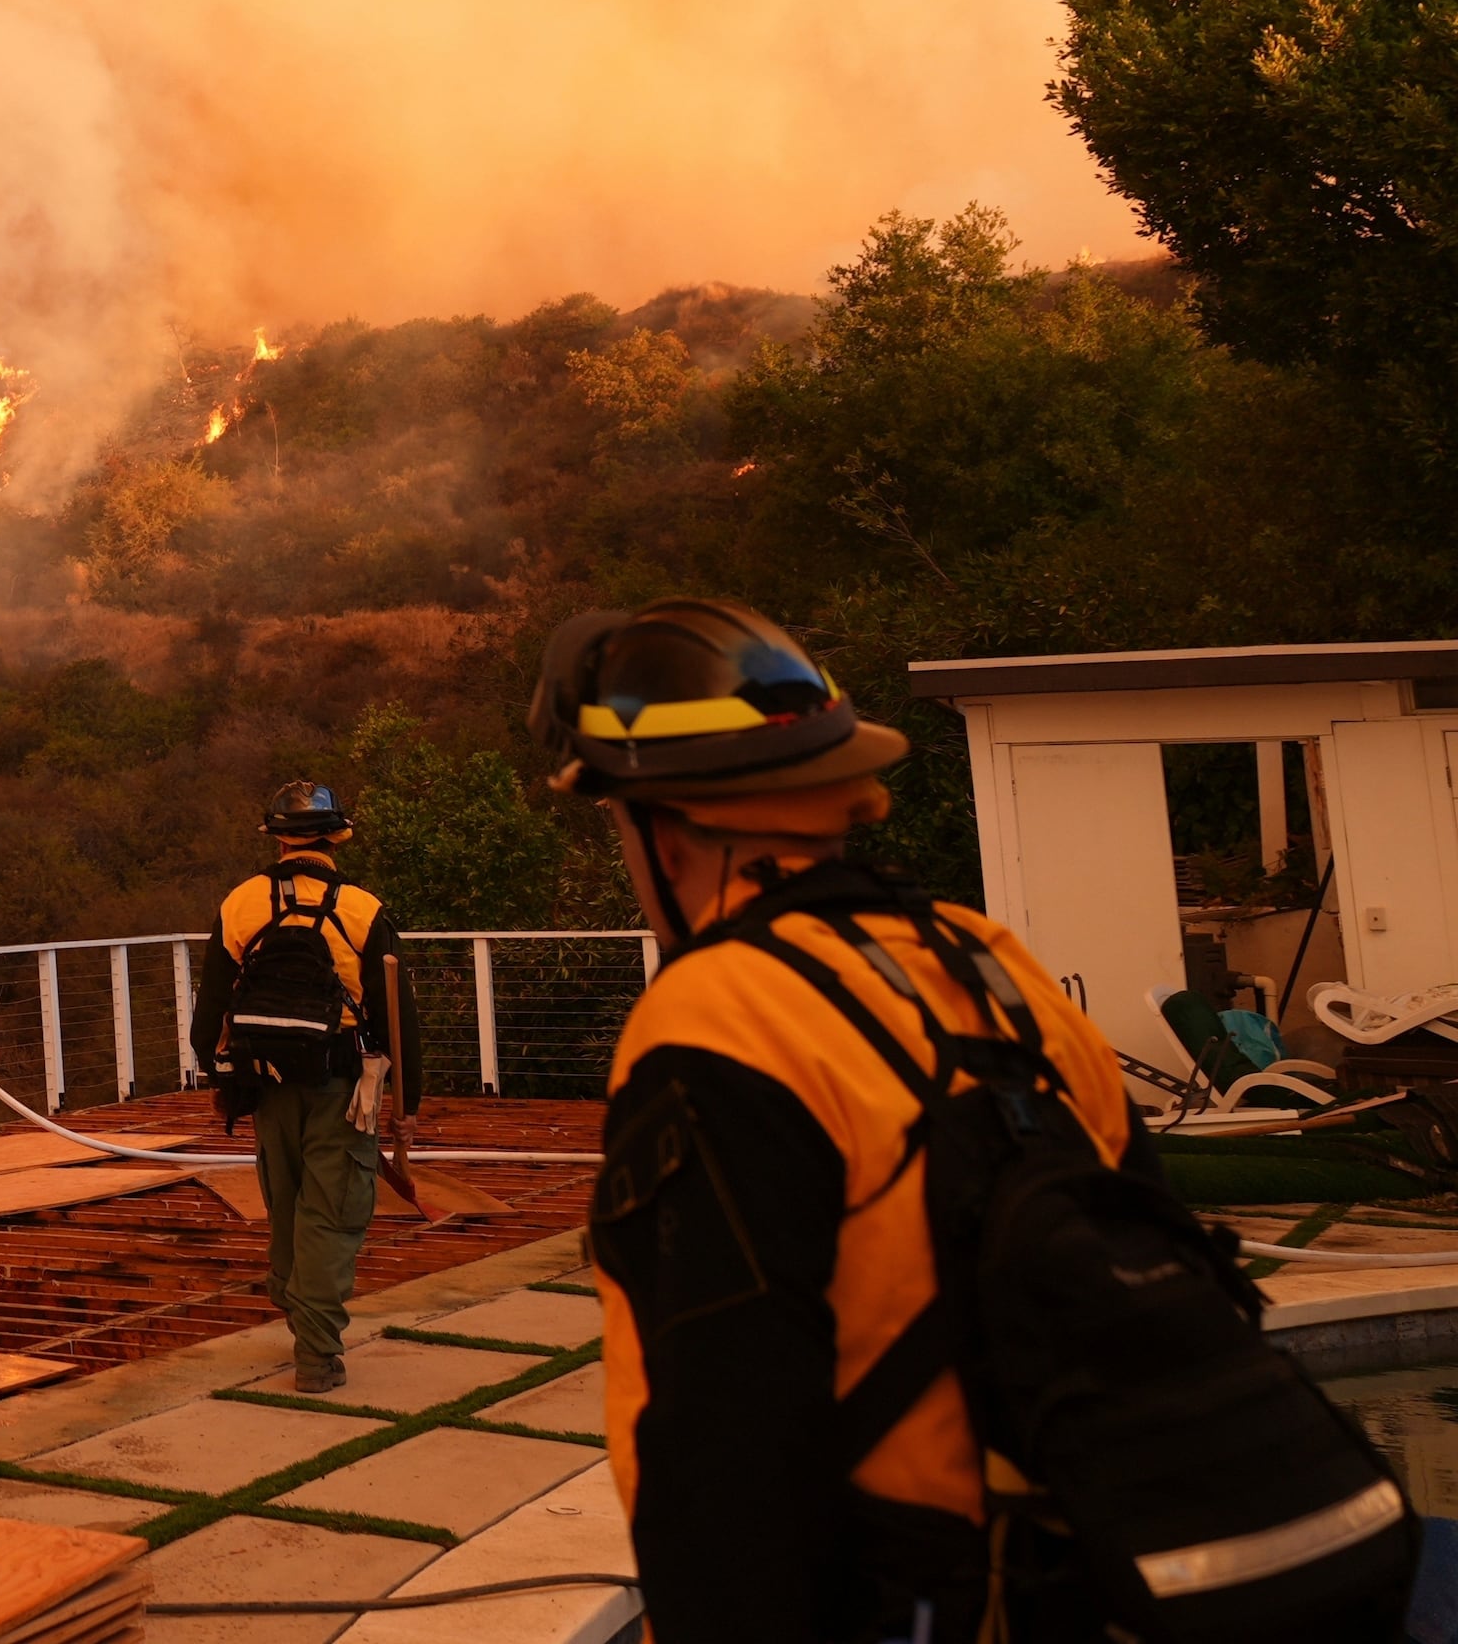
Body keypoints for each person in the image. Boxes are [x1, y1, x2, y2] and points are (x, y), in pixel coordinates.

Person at [538, 598, 1409, 1641]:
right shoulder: (990, 966)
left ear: (664, 824)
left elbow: (719, 1448)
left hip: (911, 1595)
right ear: (833, 792)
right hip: (1083, 1569)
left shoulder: (714, 1019)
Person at [191, 780, 404, 1393]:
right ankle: (316, 1353)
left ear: (278, 838)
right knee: (332, 1211)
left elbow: (211, 1011)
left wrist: (222, 1080)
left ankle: (293, 1297)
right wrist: (405, 1106)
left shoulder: (241, 903)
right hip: (342, 1085)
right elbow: (396, 1017)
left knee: (285, 1201)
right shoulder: (364, 909)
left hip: (265, 1084)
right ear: (336, 838)